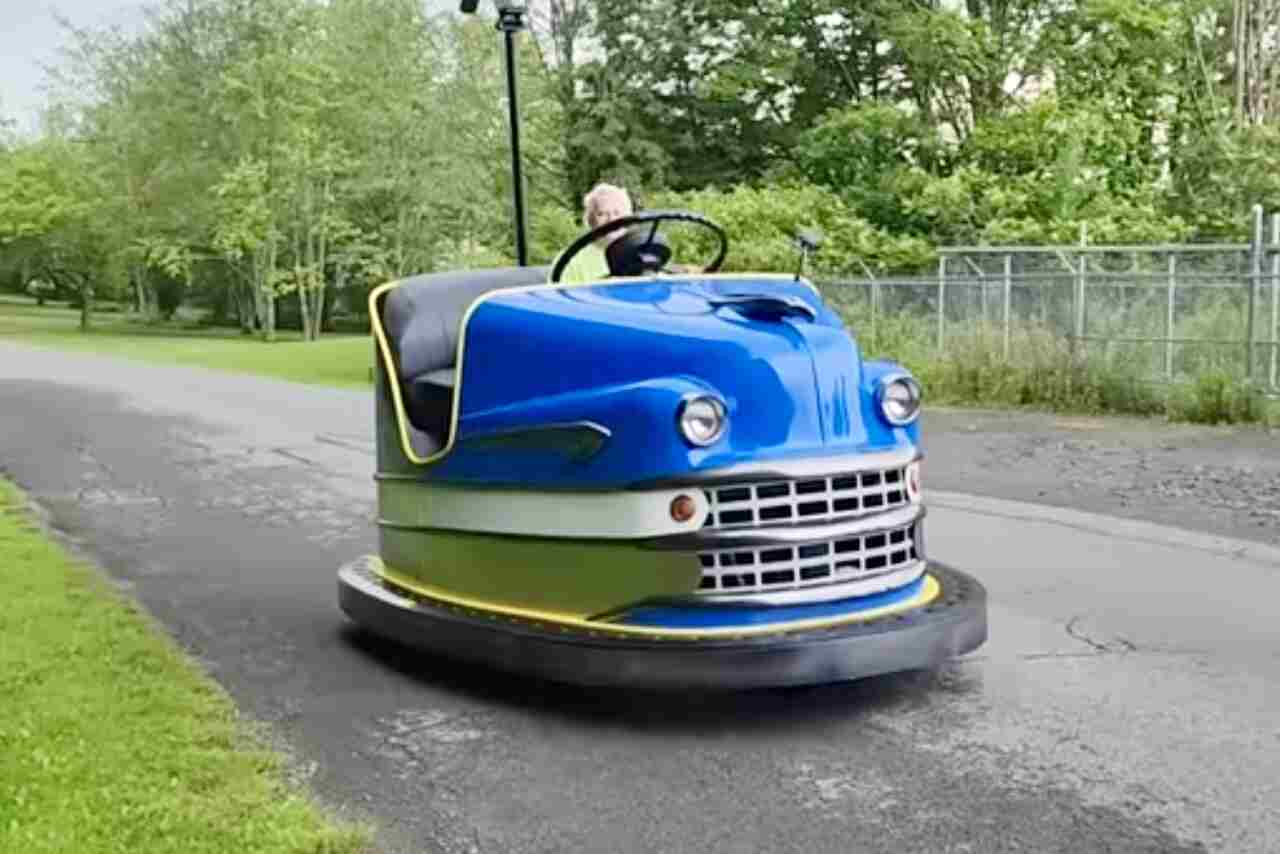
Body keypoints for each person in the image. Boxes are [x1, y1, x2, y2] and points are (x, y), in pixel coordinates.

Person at [553, 182, 633, 284]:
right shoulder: (568, 260)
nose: (612, 220)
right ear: (590, 220)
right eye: (602, 214)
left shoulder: (643, 254)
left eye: (617, 213)